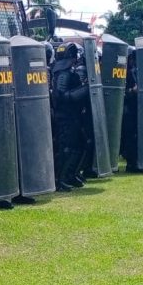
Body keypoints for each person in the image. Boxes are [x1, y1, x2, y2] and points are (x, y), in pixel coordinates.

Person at [50, 42, 88, 191]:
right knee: (66, 147)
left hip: (74, 115)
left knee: (81, 144)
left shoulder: (67, 71)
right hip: (65, 116)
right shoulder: (63, 72)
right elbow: (63, 96)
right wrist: (84, 89)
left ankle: (70, 174)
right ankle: (60, 179)